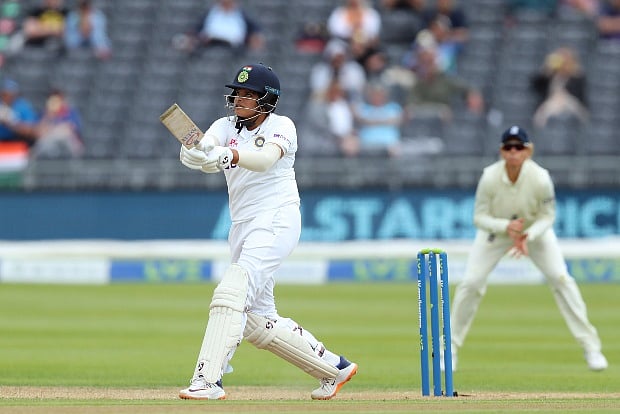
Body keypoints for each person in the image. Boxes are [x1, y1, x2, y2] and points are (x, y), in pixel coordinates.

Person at [176, 63, 358, 400]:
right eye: (238, 93)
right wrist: (195, 153)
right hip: (242, 225)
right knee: (256, 320)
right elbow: (206, 146)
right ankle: (335, 368)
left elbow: (263, 160)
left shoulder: (282, 126)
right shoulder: (224, 126)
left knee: (231, 292)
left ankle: (207, 380)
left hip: (276, 220)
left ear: (267, 100)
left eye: (249, 94)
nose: (239, 100)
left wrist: (226, 154)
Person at [447, 125, 609, 373]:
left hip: (534, 233)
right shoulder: (489, 177)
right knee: (471, 283)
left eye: (518, 147)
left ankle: (592, 348)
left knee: (561, 279)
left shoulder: (540, 178)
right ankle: (449, 349)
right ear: (502, 151)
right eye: (508, 147)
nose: (513, 152)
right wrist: (505, 227)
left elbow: (548, 216)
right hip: (497, 232)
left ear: (528, 151)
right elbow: (479, 217)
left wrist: (528, 235)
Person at [173, 0, 264, 54]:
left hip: (234, 48)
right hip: (208, 45)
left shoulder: (242, 15)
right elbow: (197, 30)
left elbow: (255, 31)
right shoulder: (209, 14)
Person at [530, 47, 588, 128]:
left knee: (563, 98)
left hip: (571, 105)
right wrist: (546, 72)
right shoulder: (551, 76)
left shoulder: (577, 77)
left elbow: (578, 94)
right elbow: (536, 87)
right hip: (551, 104)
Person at [32, 89, 84, 158]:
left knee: (65, 131)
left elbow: (75, 129)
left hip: (68, 143)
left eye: (58, 100)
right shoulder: (44, 113)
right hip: (48, 142)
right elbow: (38, 132)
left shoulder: (71, 112)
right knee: (43, 141)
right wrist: (49, 116)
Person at [0, 78, 39, 148]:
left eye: (10, 94)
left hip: (18, 142)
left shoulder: (23, 106)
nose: (7, 97)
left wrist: (12, 122)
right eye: (5, 94)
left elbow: (31, 131)